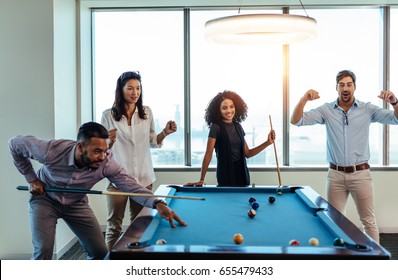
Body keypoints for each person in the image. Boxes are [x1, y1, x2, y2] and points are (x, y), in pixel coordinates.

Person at [8, 122, 186, 260]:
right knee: (43, 251)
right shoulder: (51, 151)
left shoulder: (107, 163)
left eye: (105, 151)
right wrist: (31, 179)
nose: (102, 157)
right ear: (80, 147)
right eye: (97, 151)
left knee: (100, 252)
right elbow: (14, 144)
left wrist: (157, 203)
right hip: (45, 199)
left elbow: (131, 186)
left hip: (76, 203)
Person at [290, 69, 398, 243]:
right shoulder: (326, 110)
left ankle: (377, 261)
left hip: (361, 174)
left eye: (349, 84)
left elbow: (396, 119)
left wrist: (394, 102)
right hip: (335, 176)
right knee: (335, 221)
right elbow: (296, 120)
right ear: (337, 88)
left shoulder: (367, 109)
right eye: (342, 85)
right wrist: (304, 99)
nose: (345, 88)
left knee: (368, 221)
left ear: (355, 87)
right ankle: (340, 259)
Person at [101, 71, 177, 250]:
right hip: (117, 180)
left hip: (143, 180)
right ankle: (109, 263)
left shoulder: (146, 112)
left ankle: (136, 263)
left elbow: (152, 141)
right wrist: (109, 142)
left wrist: (165, 132)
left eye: (138, 88)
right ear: (120, 90)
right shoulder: (107, 116)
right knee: (114, 227)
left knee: (140, 226)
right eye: (130, 88)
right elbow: (102, 150)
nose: (135, 92)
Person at [186, 90, 275, 187]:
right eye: (224, 108)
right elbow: (208, 154)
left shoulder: (238, 126)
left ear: (236, 107)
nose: (229, 111)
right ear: (218, 110)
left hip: (242, 175)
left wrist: (267, 142)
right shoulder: (216, 127)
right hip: (225, 175)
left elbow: (248, 153)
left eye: (232, 107)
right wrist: (201, 179)